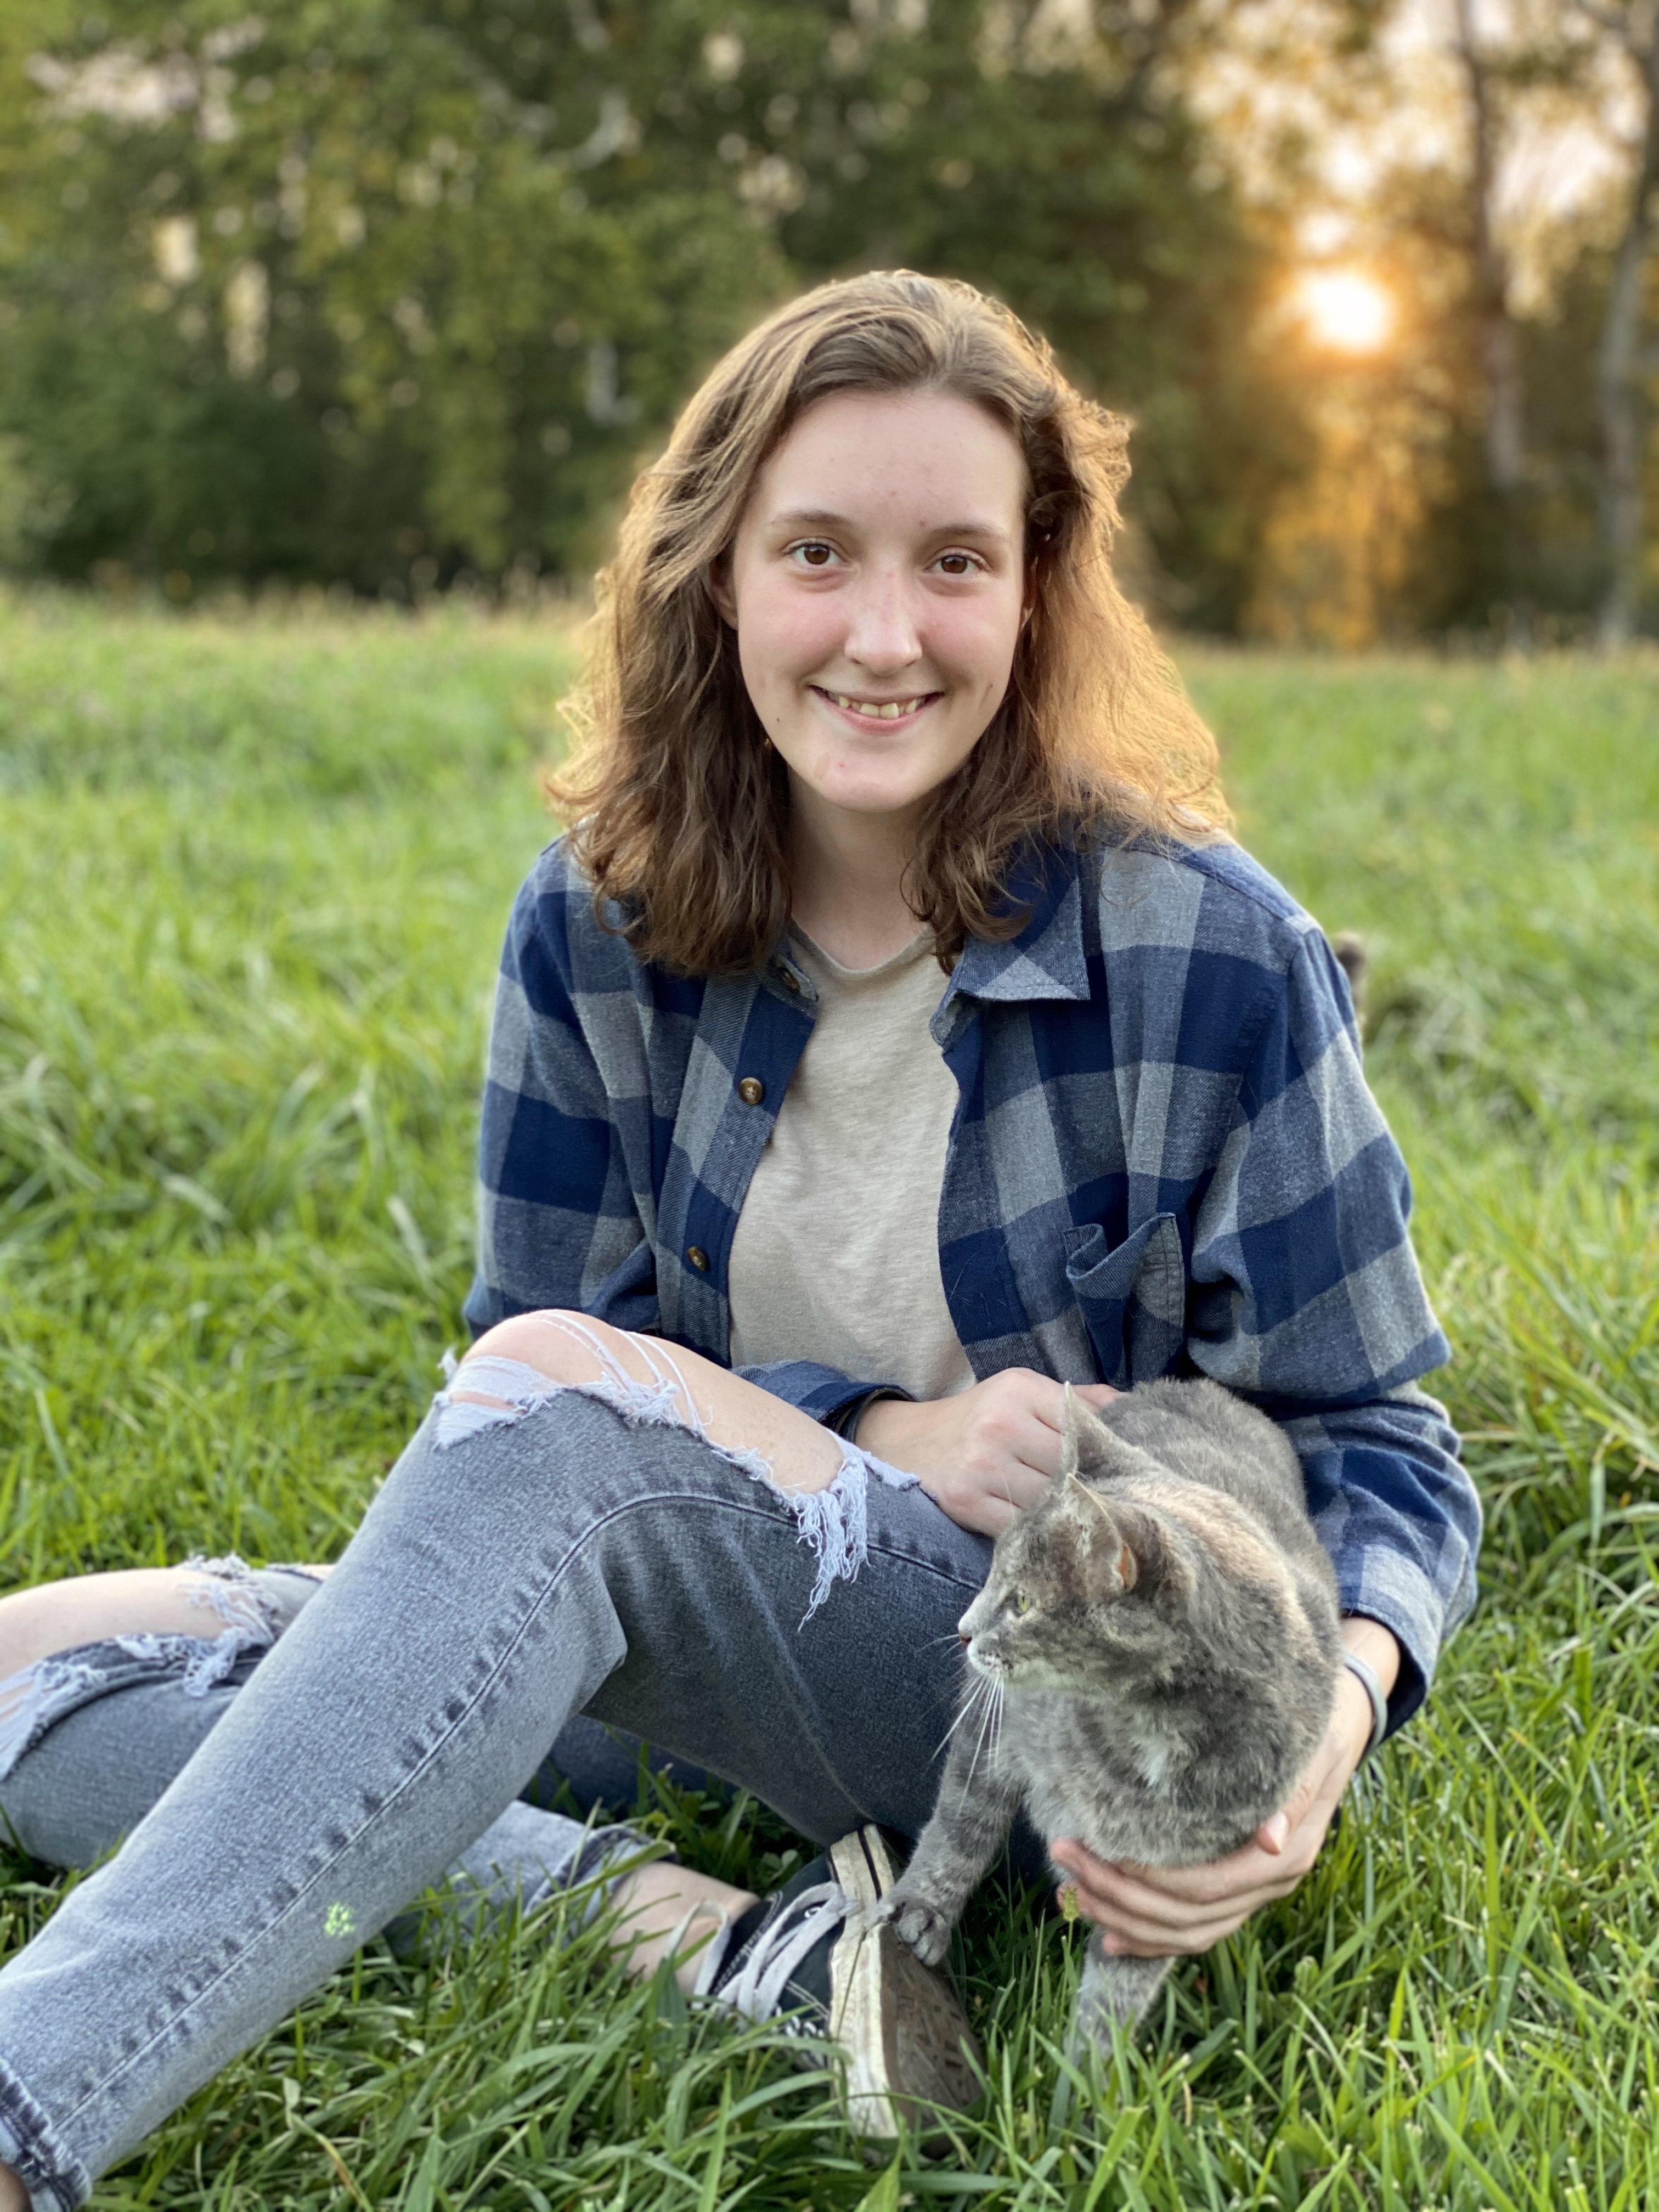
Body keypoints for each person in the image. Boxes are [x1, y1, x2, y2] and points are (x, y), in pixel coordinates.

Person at [0, 271, 1480, 2208]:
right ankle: (725, 1946)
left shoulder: (1212, 955)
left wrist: (1320, 1746)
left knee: (530, 1422)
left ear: (1035, 592)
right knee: (27, 1672)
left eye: (955, 560)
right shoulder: (596, 925)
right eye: (817, 554)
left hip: (1035, 1702)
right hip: (695, 1653)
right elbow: (539, 1383)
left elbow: (1384, 1445)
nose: (886, 633)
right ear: (719, 579)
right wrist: (873, 1429)